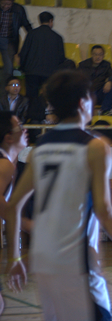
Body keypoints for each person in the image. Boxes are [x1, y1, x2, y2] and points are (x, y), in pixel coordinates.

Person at [4, 70, 112, 319]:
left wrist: (14, 257)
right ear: (83, 103)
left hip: (43, 256)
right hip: (75, 257)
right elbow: (103, 209)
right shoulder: (95, 147)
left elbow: (13, 206)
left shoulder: (41, 148)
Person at [0, 111, 29, 315]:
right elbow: (7, 211)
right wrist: (14, 259)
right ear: (8, 137)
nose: (25, 130)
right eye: (20, 126)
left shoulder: (9, 164)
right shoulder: (4, 166)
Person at [19, 11, 66, 122]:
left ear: (40, 21)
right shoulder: (57, 37)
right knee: (47, 97)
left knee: (31, 98)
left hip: (31, 72)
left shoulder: (31, 34)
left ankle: (31, 119)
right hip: (50, 74)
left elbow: (23, 53)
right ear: (51, 21)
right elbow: (61, 59)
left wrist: (23, 69)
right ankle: (45, 118)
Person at [0, 0, 32, 83]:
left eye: (9, 4)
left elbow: (26, 24)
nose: (6, 6)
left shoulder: (18, 10)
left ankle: (6, 86)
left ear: (13, 3)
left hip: (9, 41)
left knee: (9, 67)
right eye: (3, 3)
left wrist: (33, 35)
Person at [78, 45, 112, 115]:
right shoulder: (83, 65)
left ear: (103, 55)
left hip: (99, 94)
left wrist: (109, 81)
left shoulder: (106, 65)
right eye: (95, 54)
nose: (98, 57)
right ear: (91, 55)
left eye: (100, 54)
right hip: (87, 94)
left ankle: (105, 110)